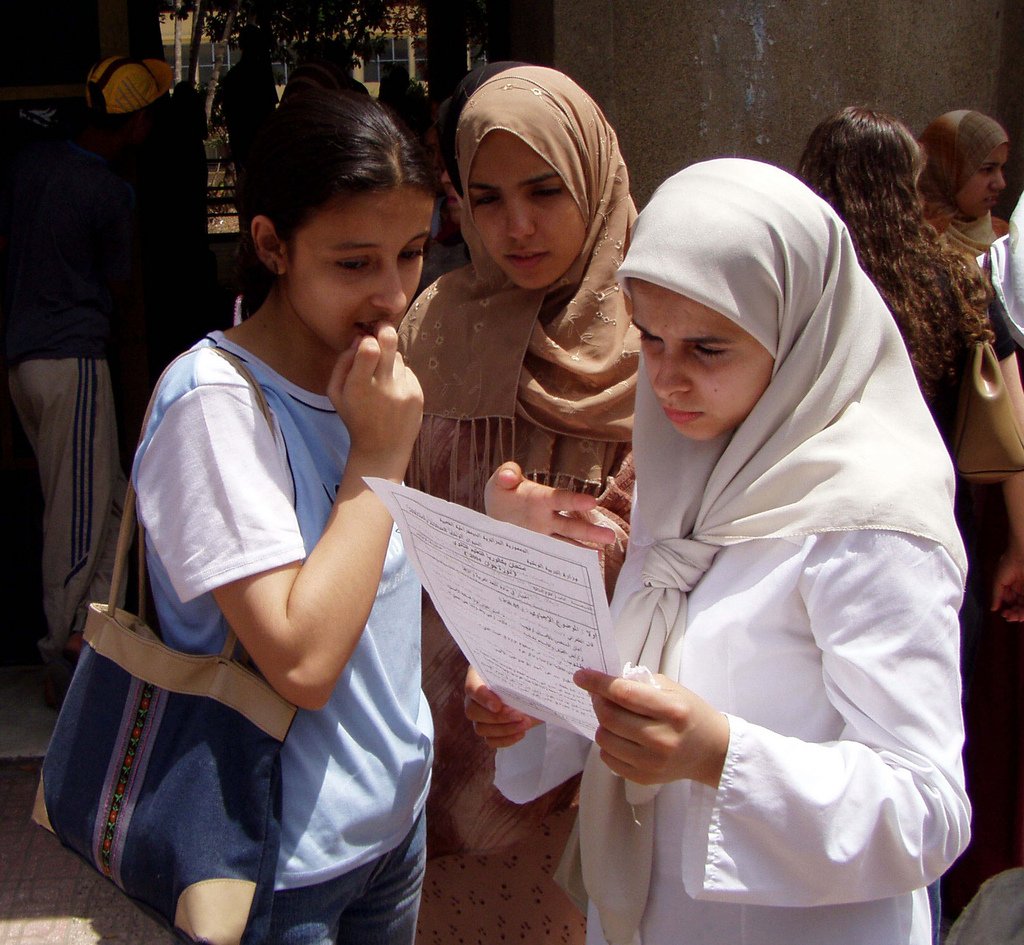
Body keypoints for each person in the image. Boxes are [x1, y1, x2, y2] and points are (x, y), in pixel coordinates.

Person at [470, 158, 972, 945]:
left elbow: (927, 810)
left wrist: (721, 755)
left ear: (798, 334)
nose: (665, 380)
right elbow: (652, 664)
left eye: (708, 348)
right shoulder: (683, 467)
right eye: (650, 338)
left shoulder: (871, 514)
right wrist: (531, 701)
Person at [132, 89, 436, 944]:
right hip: (279, 863)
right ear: (271, 244)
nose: (390, 295)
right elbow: (300, 659)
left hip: (391, 826)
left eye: (411, 254)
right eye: (353, 263)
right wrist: (377, 459)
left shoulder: (363, 381)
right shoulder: (212, 405)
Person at [399, 64, 639, 944]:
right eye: (487, 199)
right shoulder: (433, 324)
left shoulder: (657, 335)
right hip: (437, 728)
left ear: (596, 178)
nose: (517, 227)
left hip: (595, 739)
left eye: (545, 191)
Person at [0, 55, 171, 704]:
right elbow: (121, 286)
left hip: (24, 361)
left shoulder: (29, 165)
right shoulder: (108, 192)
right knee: (76, 514)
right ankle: (63, 645)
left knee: (110, 500)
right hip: (74, 358)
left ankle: (89, 634)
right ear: (135, 125)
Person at [917, 109, 1010, 268]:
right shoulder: (916, 242)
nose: (1000, 184)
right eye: (987, 169)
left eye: (1002, 168)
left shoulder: (1005, 236)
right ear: (947, 170)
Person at [217, 24, 279, 173]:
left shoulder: (234, 76)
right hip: (257, 146)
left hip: (245, 145)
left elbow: (229, 114)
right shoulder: (261, 76)